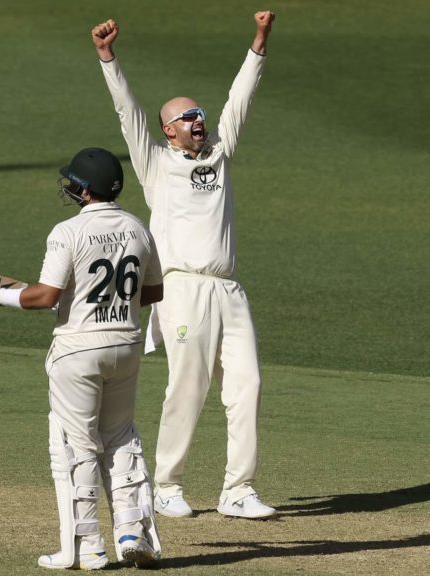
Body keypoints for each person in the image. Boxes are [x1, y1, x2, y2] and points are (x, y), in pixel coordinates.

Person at [89, 11, 277, 520]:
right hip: (182, 289)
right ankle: (167, 485)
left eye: (200, 114)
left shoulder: (220, 154)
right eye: (188, 117)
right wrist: (109, 59)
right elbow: (127, 113)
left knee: (247, 386)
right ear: (169, 130)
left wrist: (258, 43)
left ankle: (238, 490)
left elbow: (241, 100)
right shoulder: (155, 163)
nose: (200, 121)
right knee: (187, 388)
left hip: (229, 290)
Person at [0, 147, 164, 570]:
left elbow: (44, 296)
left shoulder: (67, 231)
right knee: (121, 436)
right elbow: (154, 292)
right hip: (125, 344)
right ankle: (130, 532)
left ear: (86, 190)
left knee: (79, 446)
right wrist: (96, 300)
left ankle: (88, 549)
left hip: (78, 351)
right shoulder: (138, 228)